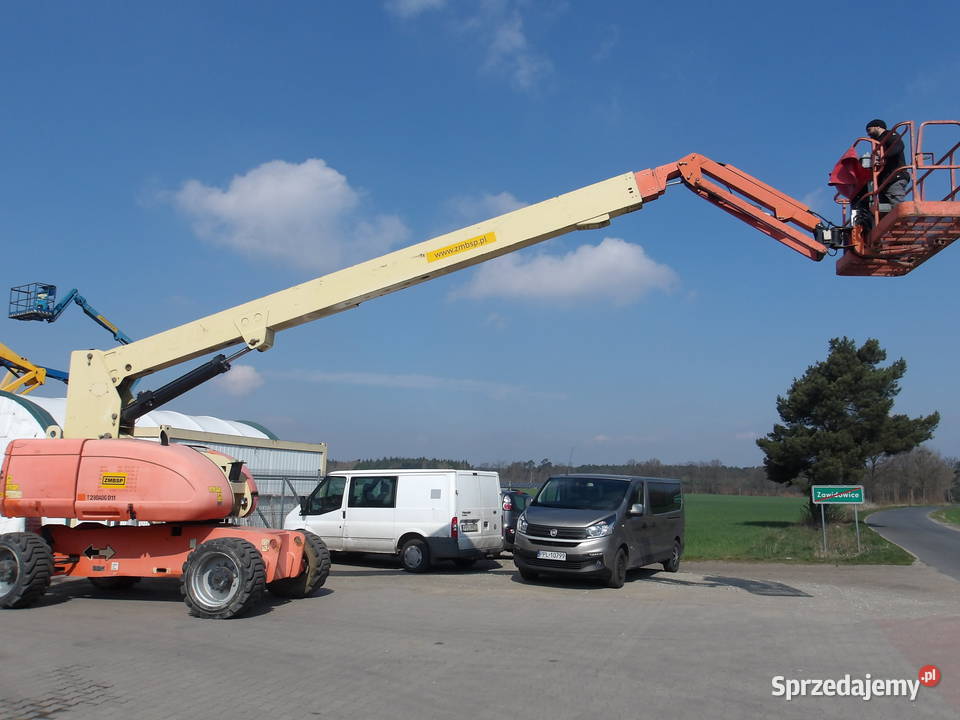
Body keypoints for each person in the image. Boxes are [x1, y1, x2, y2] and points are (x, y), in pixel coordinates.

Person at [852, 119, 910, 230]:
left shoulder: (890, 135)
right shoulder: (878, 142)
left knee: (895, 204)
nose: (868, 134)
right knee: (885, 210)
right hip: (885, 182)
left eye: (869, 130)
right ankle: (893, 229)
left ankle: (902, 227)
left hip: (895, 176)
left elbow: (898, 147)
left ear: (877, 126)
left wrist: (882, 157)